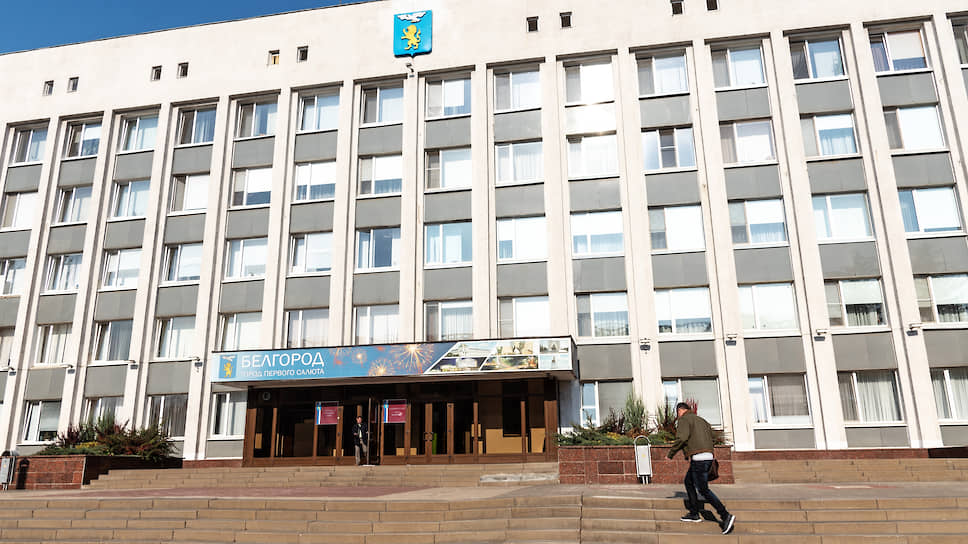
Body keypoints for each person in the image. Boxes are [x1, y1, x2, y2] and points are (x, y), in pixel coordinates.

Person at [666, 402, 735, 535]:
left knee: (703, 490)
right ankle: (694, 513)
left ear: (680, 410)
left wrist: (670, 454)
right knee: (688, 482)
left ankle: (725, 515)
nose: (677, 416)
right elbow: (712, 436)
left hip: (699, 459)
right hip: (708, 457)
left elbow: (682, 438)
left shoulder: (684, 419)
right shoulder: (702, 420)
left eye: (677, 413)